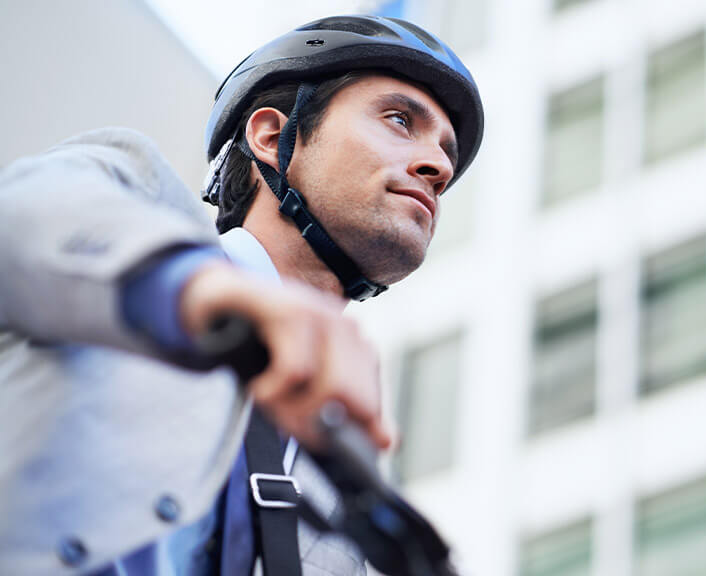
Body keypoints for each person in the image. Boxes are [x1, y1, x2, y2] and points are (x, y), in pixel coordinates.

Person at [0, 14, 484, 576]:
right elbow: (27, 219)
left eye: (447, 151)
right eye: (400, 120)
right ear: (274, 139)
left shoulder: (356, 497)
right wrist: (205, 295)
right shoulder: (132, 220)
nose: (440, 167)